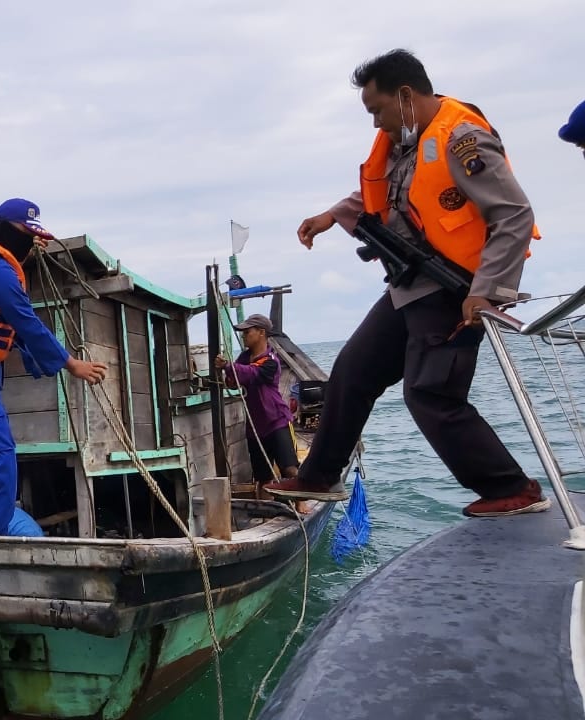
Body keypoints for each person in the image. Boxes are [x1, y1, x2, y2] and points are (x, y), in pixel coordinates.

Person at [265, 49, 549, 517]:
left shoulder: (463, 139)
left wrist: (487, 289)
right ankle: (318, 479)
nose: (377, 124)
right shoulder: (406, 145)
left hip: (454, 291)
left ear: (405, 95)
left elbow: (515, 214)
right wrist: (332, 215)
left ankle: (512, 490)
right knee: (352, 371)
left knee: (430, 393)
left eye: (378, 110)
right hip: (409, 286)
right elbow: (391, 196)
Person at [0, 198, 109, 535]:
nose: (30, 242)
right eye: (26, 235)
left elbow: (1, 323)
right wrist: (71, 364)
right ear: (6, 230)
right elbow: (26, 322)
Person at [215, 314, 299, 488]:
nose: (243, 336)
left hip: (276, 421)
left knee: (290, 469)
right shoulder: (244, 359)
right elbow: (233, 383)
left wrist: (227, 367)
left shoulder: (271, 362)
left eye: (247, 332)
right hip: (255, 426)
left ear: (261, 332)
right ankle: (266, 511)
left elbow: (251, 373)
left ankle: (301, 503)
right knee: (263, 477)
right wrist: (228, 374)